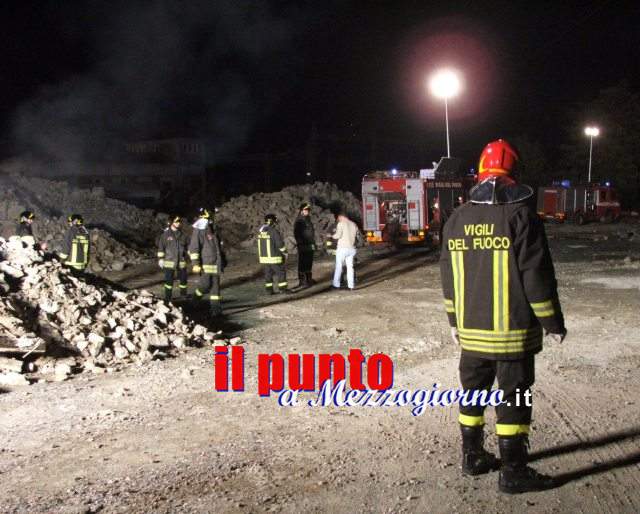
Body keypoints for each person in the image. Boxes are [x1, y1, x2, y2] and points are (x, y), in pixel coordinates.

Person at [439, 139, 567, 494]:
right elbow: (536, 276)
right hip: (512, 335)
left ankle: (472, 457)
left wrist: (454, 323)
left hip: (471, 336)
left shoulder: (456, 219)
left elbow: (448, 277)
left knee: (473, 394)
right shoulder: (521, 216)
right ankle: (513, 472)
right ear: (514, 174)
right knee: (515, 398)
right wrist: (553, 323)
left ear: (479, 173)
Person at [189, 207, 225, 317]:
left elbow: (218, 248)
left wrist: (222, 260)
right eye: (212, 214)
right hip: (206, 263)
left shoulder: (212, 228)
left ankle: (216, 310)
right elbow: (194, 247)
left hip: (216, 263)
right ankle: (195, 300)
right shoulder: (199, 229)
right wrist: (195, 263)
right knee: (205, 285)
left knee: (215, 288)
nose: (214, 216)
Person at [157, 215, 189, 304]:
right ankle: (168, 297)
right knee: (169, 281)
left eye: (179, 222)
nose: (178, 223)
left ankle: (183, 295)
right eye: (176, 222)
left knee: (183, 280)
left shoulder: (183, 235)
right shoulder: (165, 235)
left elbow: (188, 247)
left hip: (181, 261)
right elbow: (161, 248)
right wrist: (160, 259)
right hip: (169, 262)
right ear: (171, 223)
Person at [257, 214, 289, 294]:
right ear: (272, 222)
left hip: (264, 259)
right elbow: (280, 244)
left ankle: (269, 290)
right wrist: (285, 252)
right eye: (275, 222)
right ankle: (283, 289)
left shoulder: (261, 232)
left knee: (268, 274)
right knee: (281, 272)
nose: (275, 224)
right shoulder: (273, 231)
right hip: (274, 258)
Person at [330, 213, 358, 290]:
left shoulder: (341, 224)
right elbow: (356, 236)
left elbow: (338, 235)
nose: (338, 220)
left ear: (342, 217)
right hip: (351, 248)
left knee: (339, 267)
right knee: (350, 268)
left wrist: (332, 236)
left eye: (339, 218)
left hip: (342, 248)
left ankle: (336, 285)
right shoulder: (353, 224)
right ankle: (351, 286)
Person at [294, 202, 316, 288]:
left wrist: (312, 243)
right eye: (305, 210)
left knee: (309, 262)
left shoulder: (307, 219)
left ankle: (308, 280)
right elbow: (297, 234)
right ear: (301, 211)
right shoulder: (299, 221)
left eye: (308, 210)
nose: (307, 211)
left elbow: (310, 233)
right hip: (303, 245)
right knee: (303, 263)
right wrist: (301, 244)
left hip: (309, 245)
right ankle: (302, 281)